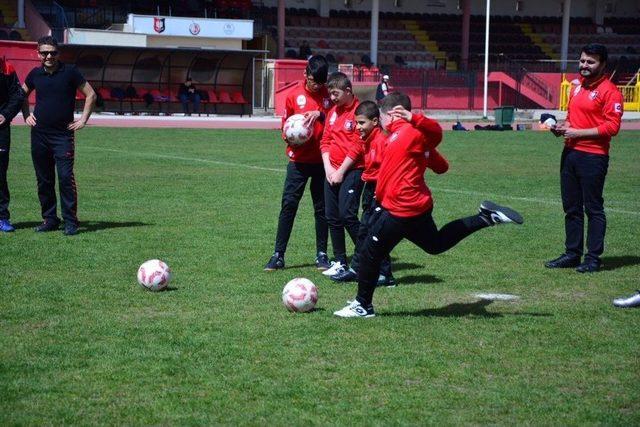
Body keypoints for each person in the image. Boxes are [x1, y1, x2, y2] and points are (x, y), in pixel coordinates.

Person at [333, 93, 523, 318]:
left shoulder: (412, 132)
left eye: (381, 116)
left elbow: (436, 133)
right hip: (415, 207)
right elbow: (441, 166)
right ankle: (486, 217)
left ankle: (362, 305)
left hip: (402, 209)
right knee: (436, 244)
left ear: (392, 114)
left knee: (370, 252)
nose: (379, 121)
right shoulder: (397, 135)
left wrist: (414, 118)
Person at [330, 100, 450, 286]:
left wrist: (425, 156)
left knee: (377, 234)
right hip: (376, 188)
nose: (358, 127)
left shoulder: (392, 138)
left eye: (361, 123)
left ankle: (382, 276)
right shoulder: (377, 136)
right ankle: (358, 270)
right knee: (366, 231)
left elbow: (440, 163)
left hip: (394, 195)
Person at [545, 44, 624, 273]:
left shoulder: (610, 92)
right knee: (571, 207)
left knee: (593, 208)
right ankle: (572, 254)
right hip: (570, 153)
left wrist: (578, 133)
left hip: (593, 156)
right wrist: (562, 127)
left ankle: (593, 258)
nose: (584, 66)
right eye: (582, 61)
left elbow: (612, 127)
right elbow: (572, 117)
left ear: (603, 65)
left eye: (590, 62)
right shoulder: (576, 86)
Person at [22, 36, 96, 235]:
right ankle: (50, 219)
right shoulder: (35, 74)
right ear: (38, 54)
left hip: (63, 136)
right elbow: (22, 94)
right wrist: (26, 115)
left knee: (65, 177)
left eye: (52, 52)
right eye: (44, 53)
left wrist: (83, 120)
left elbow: (91, 94)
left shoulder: (70, 72)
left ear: (58, 54)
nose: (48, 56)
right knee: (44, 179)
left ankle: (71, 221)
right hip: (39, 135)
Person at [264, 55, 332, 271]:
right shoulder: (293, 96)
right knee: (289, 205)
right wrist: (293, 137)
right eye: (313, 80)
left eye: (320, 82)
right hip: (299, 161)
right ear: (305, 74)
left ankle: (322, 254)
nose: (316, 85)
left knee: (322, 209)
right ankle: (278, 255)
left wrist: (320, 114)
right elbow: (285, 128)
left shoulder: (329, 96)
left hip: (323, 160)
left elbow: (336, 119)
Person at [319, 72, 364, 277]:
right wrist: (329, 169)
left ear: (348, 91)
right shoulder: (332, 113)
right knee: (332, 217)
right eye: (331, 94)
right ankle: (340, 261)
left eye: (336, 93)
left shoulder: (359, 111)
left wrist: (340, 171)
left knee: (348, 215)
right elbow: (325, 141)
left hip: (352, 170)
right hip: (332, 171)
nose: (333, 98)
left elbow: (357, 146)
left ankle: (366, 257)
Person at [0, 57, 25, 232]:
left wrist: (5, 115)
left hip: (0, 128)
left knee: (0, 175)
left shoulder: (7, 68)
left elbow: (17, 95)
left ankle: (2, 217)